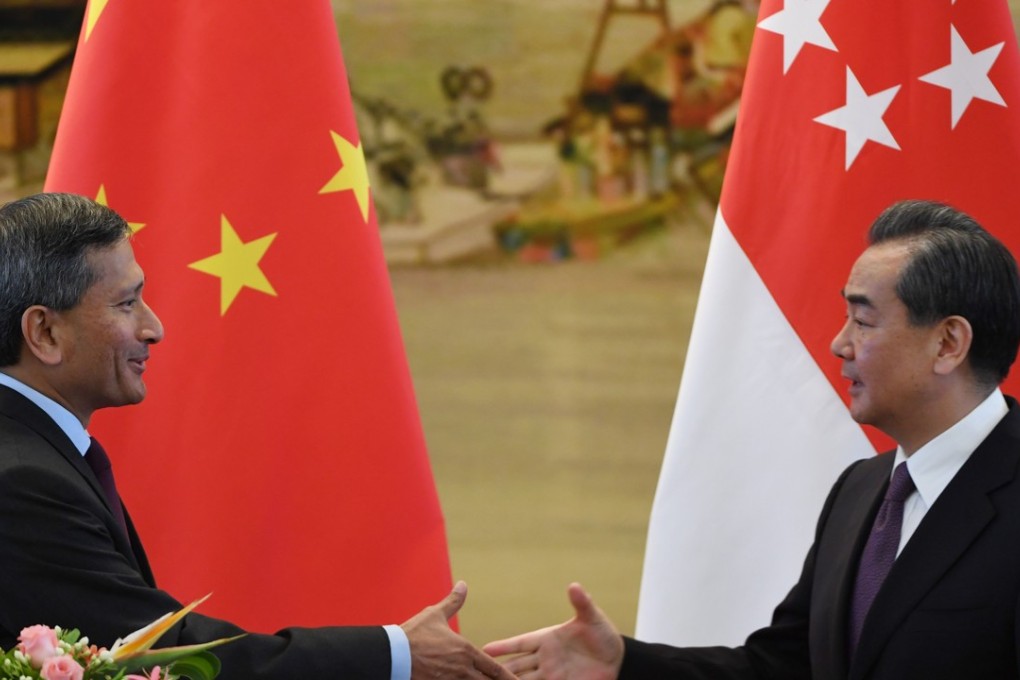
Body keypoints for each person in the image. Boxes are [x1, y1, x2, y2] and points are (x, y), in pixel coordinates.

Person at [484, 199, 1020, 679]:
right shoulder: (860, 490)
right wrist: (625, 663)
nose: (839, 344)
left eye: (863, 320)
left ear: (948, 343)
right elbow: (783, 666)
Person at [0, 192, 512, 680]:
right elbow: (161, 657)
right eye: (126, 304)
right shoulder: (22, 484)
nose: (154, 328)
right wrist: (394, 655)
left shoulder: (35, 451)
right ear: (45, 332)